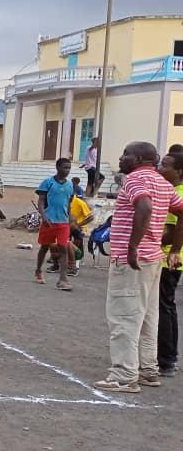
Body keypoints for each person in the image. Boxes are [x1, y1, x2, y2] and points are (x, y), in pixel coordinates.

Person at [95, 142, 183, 393]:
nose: (122, 158)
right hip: (154, 260)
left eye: (127, 154)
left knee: (124, 316)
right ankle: (148, 370)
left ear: (141, 158)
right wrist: (175, 249)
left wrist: (132, 246)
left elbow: (144, 206)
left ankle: (123, 374)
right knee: (147, 317)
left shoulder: (134, 180)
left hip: (131, 260)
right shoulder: (163, 183)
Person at [157, 152, 183, 378]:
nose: (160, 168)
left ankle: (165, 359)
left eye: (165, 165)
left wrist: (148, 236)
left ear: (179, 172)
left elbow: (172, 232)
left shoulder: (176, 194)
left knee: (162, 308)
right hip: (173, 258)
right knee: (168, 306)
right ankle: (169, 357)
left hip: (167, 259)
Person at [35, 158, 74, 290]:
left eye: (69, 168)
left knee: (63, 247)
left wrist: (69, 218)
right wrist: (43, 216)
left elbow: (68, 203)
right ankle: (38, 269)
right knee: (45, 247)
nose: (67, 171)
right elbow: (41, 201)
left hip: (63, 222)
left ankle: (63, 278)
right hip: (49, 221)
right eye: (64, 167)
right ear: (58, 167)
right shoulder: (48, 183)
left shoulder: (69, 185)